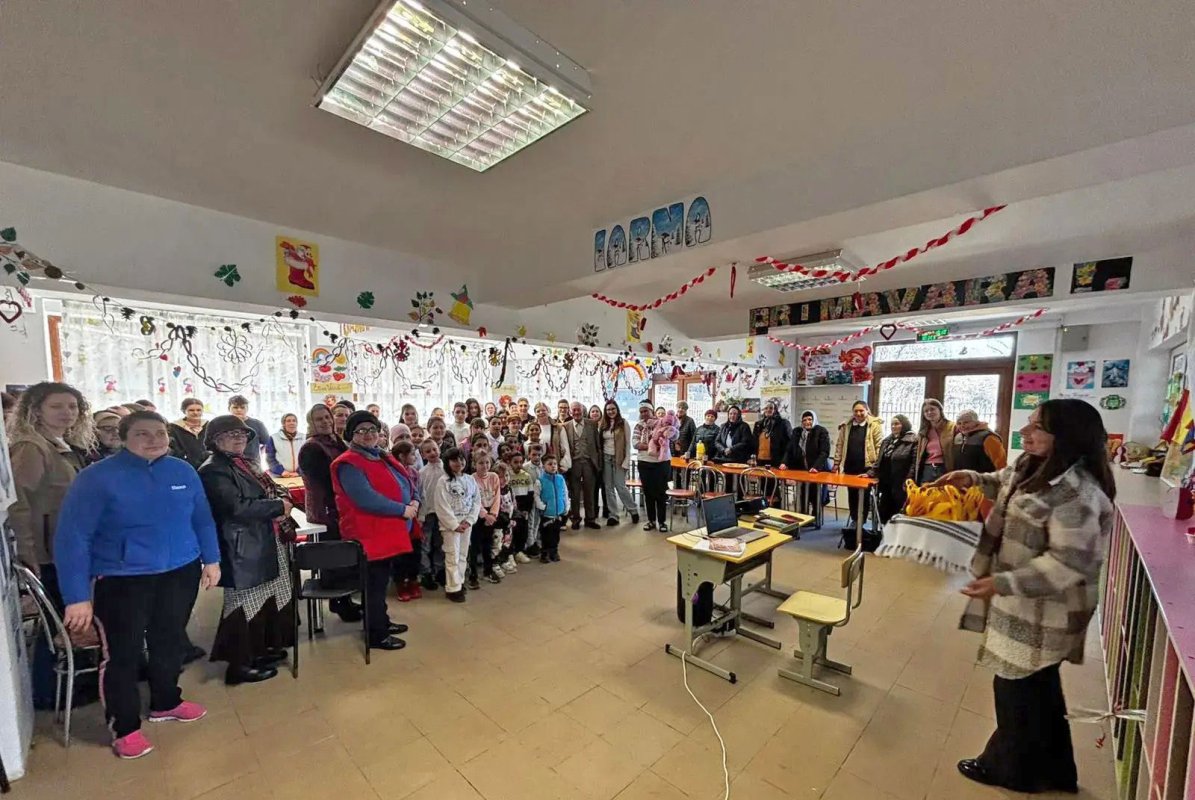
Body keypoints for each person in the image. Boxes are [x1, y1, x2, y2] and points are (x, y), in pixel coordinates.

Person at [935, 400, 1114, 794]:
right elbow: (1004, 481)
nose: (1025, 432)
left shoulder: (1077, 494)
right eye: (1029, 423)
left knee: (1015, 691)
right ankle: (1056, 771)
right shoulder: (1033, 465)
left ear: (1066, 437)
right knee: (1038, 689)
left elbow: (1067, 564)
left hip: (1044, 611)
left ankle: (1010, 771)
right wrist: (971, 478)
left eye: (1037, 427)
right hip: (1022, 604)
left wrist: (1001, 583)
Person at [54, 410, 221, 760]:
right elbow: (73, 538)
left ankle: (166, 702)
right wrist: (76, 596)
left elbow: (202, 518)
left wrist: (211, 559)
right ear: (124, 437)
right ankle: (125, 727)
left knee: (169, 641)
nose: (154, 440)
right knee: (122, 654)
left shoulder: (182, 471)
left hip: (180, 571)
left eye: (159, 433)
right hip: (120, 578)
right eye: (142, 433)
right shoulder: (97, 477)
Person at [9, 382, 95, 708]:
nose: (67, 413)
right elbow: (18, 504)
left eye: (72, 406)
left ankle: (74, 682)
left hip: (64, 547)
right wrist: (27, 554)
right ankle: (48, 694)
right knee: (55, 625)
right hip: (47, 552)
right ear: (36, 410)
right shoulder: (31, 447)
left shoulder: (61, 444)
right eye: (57, 406)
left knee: (67, 620)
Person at [198, 415, 295, 685]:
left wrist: (282, 499)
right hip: (242, 547)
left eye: (242, 434)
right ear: (215, 440)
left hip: (262, 539)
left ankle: (258, 651)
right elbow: (235, 507)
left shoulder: (244, 462)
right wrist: (278, 507)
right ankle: (238, 665)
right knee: (243, 604)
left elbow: (272, 487)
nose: (239, 438)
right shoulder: (213, 469)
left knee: (265, 598)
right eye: (232, 434)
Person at [331, 410, 415, 651]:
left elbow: (406, 481)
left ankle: (382, 621)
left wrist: (415, 500)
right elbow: (365, 499)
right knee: (374, 586)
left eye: (372, 429)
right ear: (351, 435)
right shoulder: (348, 463)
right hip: (368, 535)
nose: (368, 434)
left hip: (387, 532)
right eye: (361, 431)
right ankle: (376, 634)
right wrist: (402, 509)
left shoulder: (381, 455)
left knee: (381, 581)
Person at [296, 404, 361, 623]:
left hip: (341, 506)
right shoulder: (311, 448)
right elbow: (326, 479)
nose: (325, 422)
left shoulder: (337, 441)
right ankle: (338, 602)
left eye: (327, 417)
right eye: (319, 419)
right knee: (333, 557)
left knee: (345, 556)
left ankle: (345, 599)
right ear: (311, 423)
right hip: (324, 510)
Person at [432, 447, 480, 603]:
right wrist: (454, 524)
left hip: (466, 524)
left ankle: (459, 581)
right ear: (447, 462)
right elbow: (441, 506)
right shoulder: (443, 481)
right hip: (451, 527)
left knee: (463, 555)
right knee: (452, 555)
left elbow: (476, 501)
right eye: (454, 460)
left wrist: (469, 520)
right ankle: (452, 588)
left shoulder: (470, 479)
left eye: (461, 459)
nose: (459, 462)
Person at [833, 401, 883, 528]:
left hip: (866, 467)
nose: (859, 413)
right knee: (852, 495)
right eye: (856, 411)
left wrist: (876, 467)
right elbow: (840, 445)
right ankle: (855, 519)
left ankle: (861, 520)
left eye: (861, 411)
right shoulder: (846, 426)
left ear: (867, 411)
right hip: (850, 466)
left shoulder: (874, 425)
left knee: (864, 496)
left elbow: (879, 447)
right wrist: (836, 462)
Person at [779, 410, 832, 524]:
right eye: (804, 420)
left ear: (814, 420)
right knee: (802, 495)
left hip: (817, 470)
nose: (807, 422)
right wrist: (784, 462)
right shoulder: (797, 432)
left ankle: (816, 518)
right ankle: (803, 518)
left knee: (815, 495)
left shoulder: (821, 431)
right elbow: (789, 449)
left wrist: (816, 467)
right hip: (802, 470)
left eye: (809, 419)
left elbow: (824, 452)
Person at [389, 441, 424, 602]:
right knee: (400, 554)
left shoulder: (413, 472)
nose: (415, 457)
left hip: (413, 517)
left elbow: (417, 492)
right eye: (412, 454)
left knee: (415, 552)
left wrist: (416, 505)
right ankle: (400, 583)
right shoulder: (391, 472)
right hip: (399, 518)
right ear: (402, 456)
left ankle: (413, 580)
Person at [563, 401, 602, 530]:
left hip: (589, 462)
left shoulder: (592, 424)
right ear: (570, 412)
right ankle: (575, 519)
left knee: (589, 492)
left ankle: (590, 519)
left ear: (583, 411)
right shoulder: (565, 426)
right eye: (574, 410)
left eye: (578, 410)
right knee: (574, 493)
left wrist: (599, 462)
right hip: (574, 463)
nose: (576, 412)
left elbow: (598, 445)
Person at [600, 400, 639, 526]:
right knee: (608, 488)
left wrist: (626, 461)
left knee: (620, 486)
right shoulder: (603, 424)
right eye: (608, 409)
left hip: (619, 459)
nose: (610, 411)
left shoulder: (623, 423)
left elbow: (627, 444)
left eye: (613, 409)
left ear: (617, 409)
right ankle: (613, 515)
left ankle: (633, 510)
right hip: (606, 458)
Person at [467, 449, 502, 586]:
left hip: (491, 514)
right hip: (477, 514)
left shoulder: (494, 476)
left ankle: (488, 571)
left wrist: (492, 514)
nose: (485, 466)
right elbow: (474, 500)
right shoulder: (471, 479)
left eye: (487, 462)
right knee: (475, 545)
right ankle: (473, 574)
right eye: (481, 463)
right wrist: (484, 515)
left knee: (488, 544)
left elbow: (497, 497)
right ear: (474, 464)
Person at [633, 402, 669, 532]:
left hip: (661, 463)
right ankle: (651, 520)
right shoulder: (638, 425)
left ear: (651, 411)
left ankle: (662, 522)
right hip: (644, 462)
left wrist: (657, 445)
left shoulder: (661, 423)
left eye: (646, 411)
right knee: (648, 493)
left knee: (661, 493)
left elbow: (668, 438)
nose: (643, 414)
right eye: (641, 411)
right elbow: (635, 443)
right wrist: (652, 446)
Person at [875, 415, 918, 524]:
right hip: (886, 482)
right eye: (892, 424)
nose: (893, 427)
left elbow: (914, 463)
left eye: (897, 424)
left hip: (901, 482)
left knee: (899, 512)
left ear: (904, 425)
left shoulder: (913, 440)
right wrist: (871, 472)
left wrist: (909, 479)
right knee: (884, 511)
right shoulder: (887, 440)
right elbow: (880, 460)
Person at [417, 439, 446, 591]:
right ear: (423, 455)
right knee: (425, 544)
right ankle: (426, 573)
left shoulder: (447, 469)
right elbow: (421, 496)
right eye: (428, 451)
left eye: (434, 449)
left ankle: (440, 570)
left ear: (439, 449)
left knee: (440, 543)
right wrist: (421, 516)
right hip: (427, 514)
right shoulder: (421, 473)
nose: (432, 453)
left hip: (443, 513)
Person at [910, 398, 955, 485]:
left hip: (946, 468)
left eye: (932, 409)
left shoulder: (952, 427)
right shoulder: (924, 432)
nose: (929, 412)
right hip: (927, 469)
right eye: (926, 411)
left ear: (940, 410)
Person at [534, 453, 569, 563]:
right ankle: (544, 553)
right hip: (547, 514)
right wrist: (543, 507)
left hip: (558, 513)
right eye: (550, 464)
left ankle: (554, 551)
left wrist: (566, 506)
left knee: (556, 534)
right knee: (546, 535)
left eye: (555, 464)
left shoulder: (560, 479)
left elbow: (565, 493)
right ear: (543, 466)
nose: (553, 466)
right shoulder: (540, 481)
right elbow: (536, 496)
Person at [168, 397, 208, 469]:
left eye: (199, 410)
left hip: (207, 465)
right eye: (191, 410)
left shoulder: (209, 425)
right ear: (184, 411)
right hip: (184, 465)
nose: (195, 413)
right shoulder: (174, 427)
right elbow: (173, 448)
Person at [227, 395, 269, 462]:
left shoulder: (258, 424)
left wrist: (258, 455)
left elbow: (266, 442)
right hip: (228, 463)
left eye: (242, 407)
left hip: (252, 463)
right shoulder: (222, 424)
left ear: (247, 409)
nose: (239, 410)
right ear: (229, 408)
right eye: (235, 407)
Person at [752, 401, 791, 468]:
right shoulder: (758, 424)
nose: (768, 410)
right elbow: (754, 442)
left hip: (777, 461)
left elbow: (789, 444)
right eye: (766, 408)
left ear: (775, 410)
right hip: (760, 461)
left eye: (771, 408)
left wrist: (785, 461)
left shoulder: (783, 423)